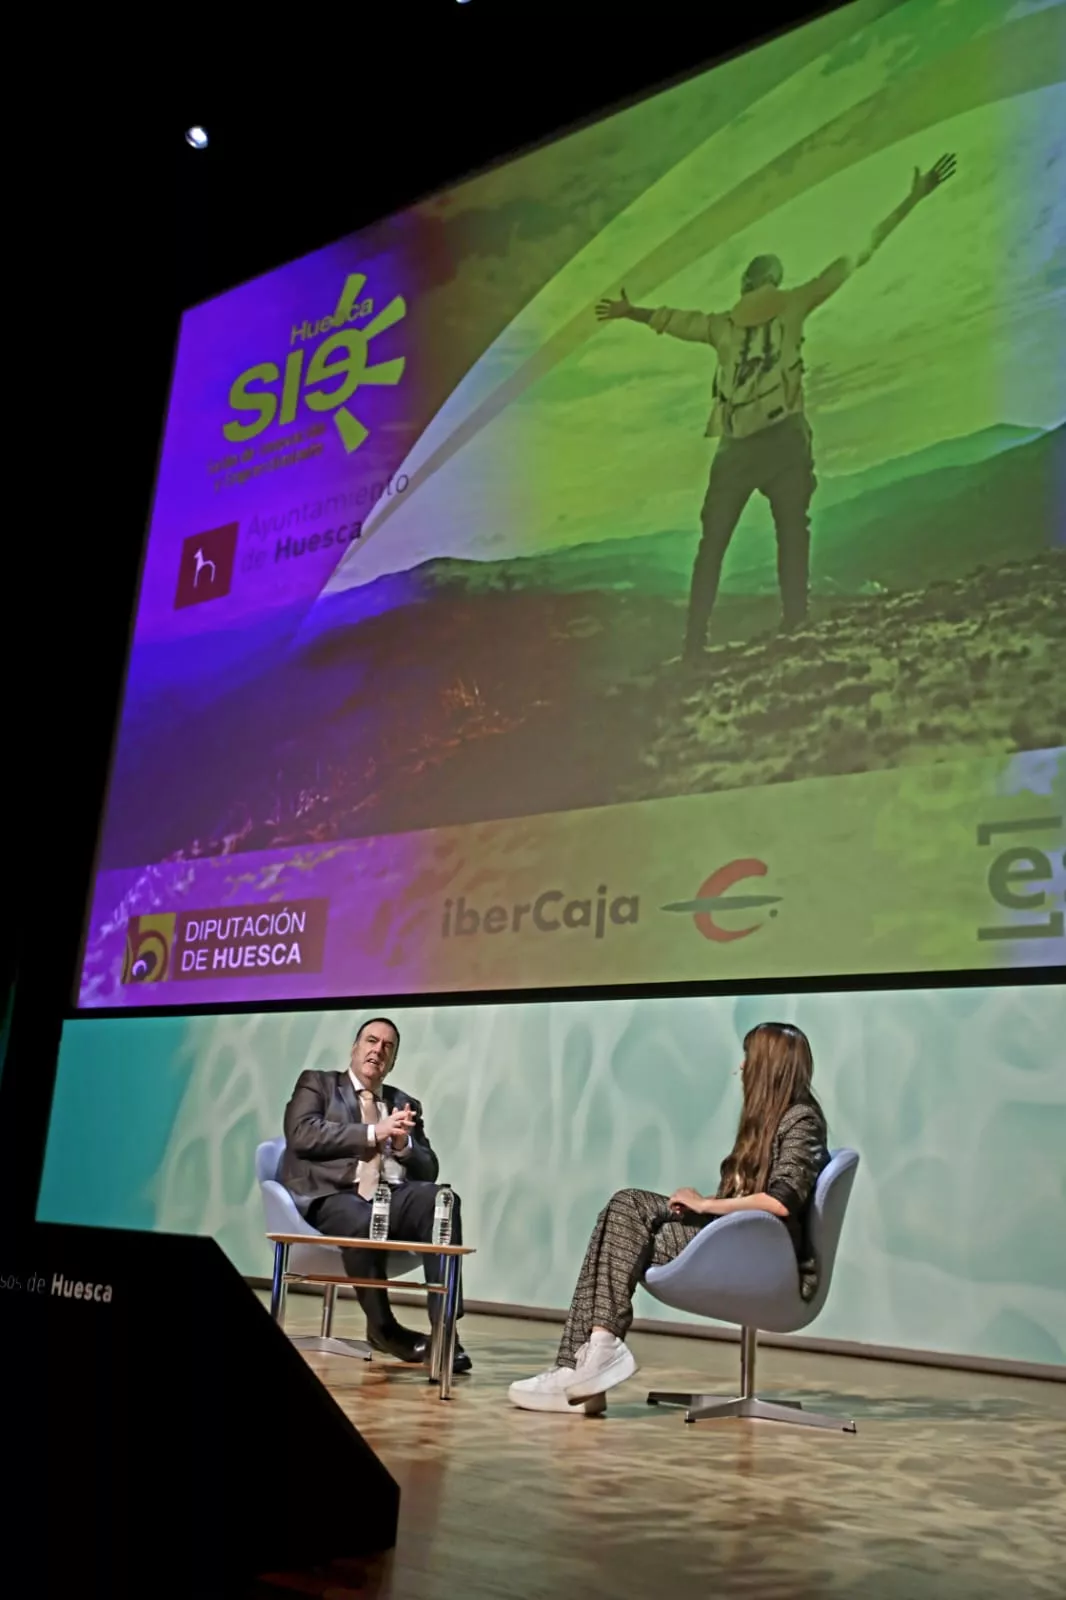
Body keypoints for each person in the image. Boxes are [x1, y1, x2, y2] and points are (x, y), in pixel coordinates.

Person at [595, 155, 957, 664]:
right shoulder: (795, 303)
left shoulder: (723, 326)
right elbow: (860, 255)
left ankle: (695, 644)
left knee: (713, 545)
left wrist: (633, 312)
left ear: (745, 284)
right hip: (786, 438)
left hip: (735, 447)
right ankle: (794, 621)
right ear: (775, 279)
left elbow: (675, 320)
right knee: (793, 530)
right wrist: (913, 198)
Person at [509, 1021, 828, 1413]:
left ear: (768, 1066)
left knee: (624, 1216)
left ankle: (589, 1359)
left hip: (763, 1258)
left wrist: (707, 1206)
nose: (741, 1067)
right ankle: (584, 1366)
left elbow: (780, 1202)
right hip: (736, 1241)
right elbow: (752, 1198)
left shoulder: (801, 1119)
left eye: (748, 1058)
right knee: (621, 1213)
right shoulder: (769, 1120)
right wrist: (700, 1204)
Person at [279, 1016, 471, 1372]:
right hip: (332, 1196)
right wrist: (374, 1132)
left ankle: (445, 1328)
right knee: (362, 1217)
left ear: (393, 1060)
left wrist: (404, 1145)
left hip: (390, 1197)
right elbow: (303, 1134)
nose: (377, 1050)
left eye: (387, 1047)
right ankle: (383, 1328)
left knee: (443, 1201)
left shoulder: (404, 1102)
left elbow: (429, 1170)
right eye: (371, 1041)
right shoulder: (318, 1084)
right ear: (355, 1048)